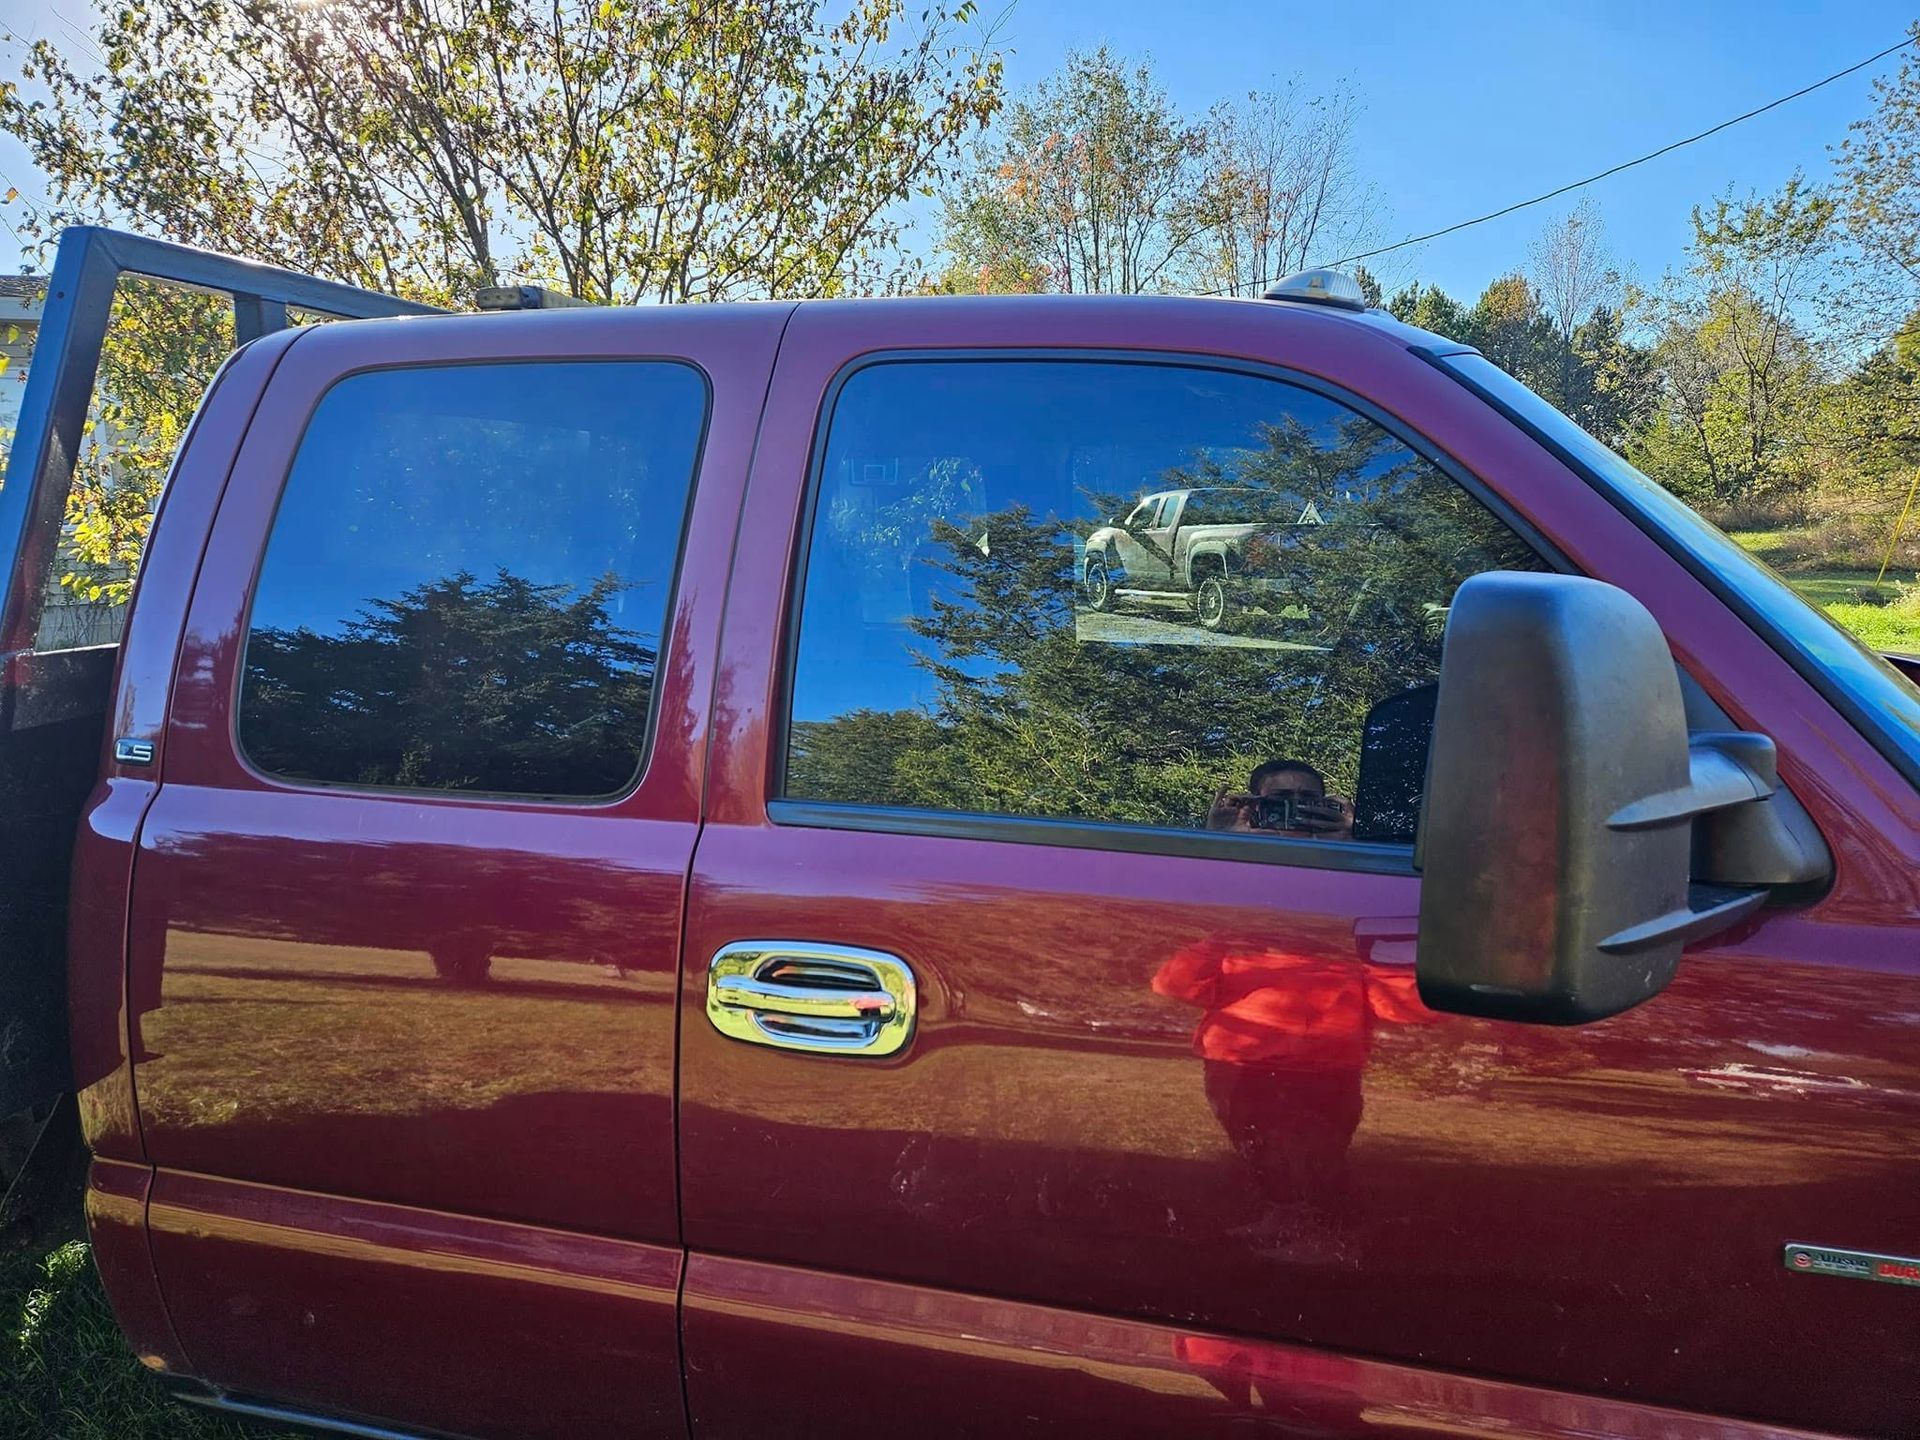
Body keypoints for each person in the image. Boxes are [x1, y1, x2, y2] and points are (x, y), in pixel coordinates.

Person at [1205, 758, 1353, 840]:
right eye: (1280, 797)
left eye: (1308, 797)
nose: (1295, 805)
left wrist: (1355, 838)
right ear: (1255, 803)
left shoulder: (1338, 846)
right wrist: (1219, 837)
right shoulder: (1241, 845)